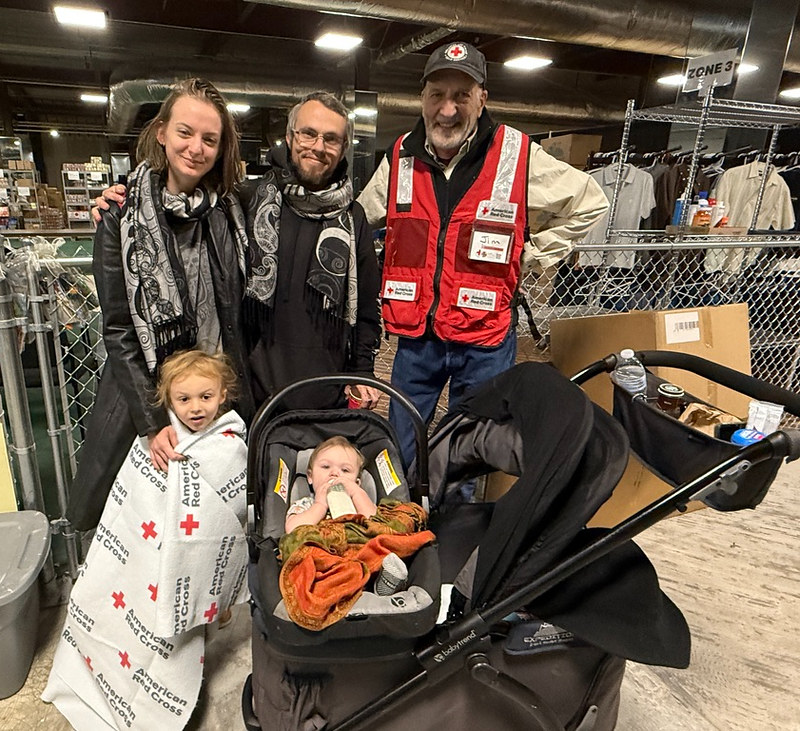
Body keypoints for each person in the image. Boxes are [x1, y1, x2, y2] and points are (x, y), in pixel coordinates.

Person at [357, 41, 609, 467]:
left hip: (485, 339)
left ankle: (460, 526)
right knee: (402, 447)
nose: (448, 110)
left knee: (470, 452)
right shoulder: (400, 157)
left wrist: (530, 255)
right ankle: (404, 518)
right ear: (422, 98)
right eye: (437, 94)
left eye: (462, 96)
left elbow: (591, 202)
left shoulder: (517, 155)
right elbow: (360, 222)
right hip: (418, 338)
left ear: (482, 99)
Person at [95, 91, 382, 415]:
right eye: (308, 133)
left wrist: (362, 369)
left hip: (325, 389)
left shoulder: (352, 217)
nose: (318, 146)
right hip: (251, 393)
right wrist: (122, 202)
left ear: (343, 148)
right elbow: (180, 205)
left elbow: (368, 302)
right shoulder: (244, 200)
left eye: (331, 139)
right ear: (289, 137)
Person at [68, 77, 255, 532]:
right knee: (153, 527)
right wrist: (153, 422)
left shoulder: (231, 208)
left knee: (217, 525)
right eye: (185, 132)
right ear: (162, 134)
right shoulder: (120, 216)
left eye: (210, 139)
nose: (196, 147)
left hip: (217, 396)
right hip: (154, 397)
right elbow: (118, 328)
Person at [43, 349, 250, 730]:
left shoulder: (232, 444)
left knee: (201, 591)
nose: (195, 408)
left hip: (198, 560)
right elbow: (133, 501)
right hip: (146, 560)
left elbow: (235, 521)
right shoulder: (155, 441)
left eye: (206, 396)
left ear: (223, 395)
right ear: (167, 400)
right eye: (183, 399)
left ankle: (209, 611)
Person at [285, 435, 377, 532]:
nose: (334, 473)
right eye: (326, 467)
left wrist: (357, 493)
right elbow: (292, 530)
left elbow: (377, 526)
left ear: (356, 483)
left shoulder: (361, 503)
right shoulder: (306, 505)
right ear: (310, 476)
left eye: (345, 470)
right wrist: (320, 505)